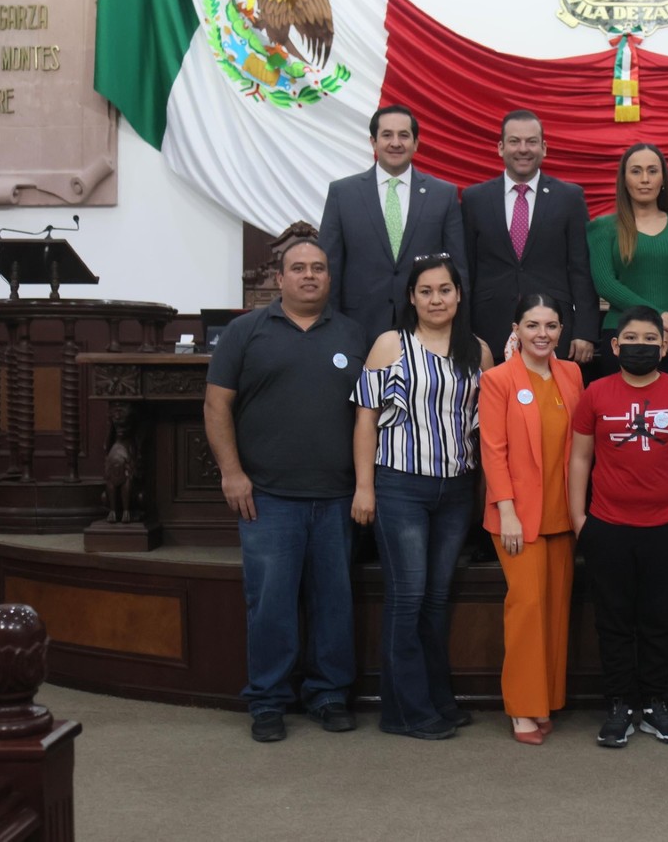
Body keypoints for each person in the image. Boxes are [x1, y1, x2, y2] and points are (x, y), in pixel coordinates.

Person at [204, 238, 366, 743]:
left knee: (334, 602)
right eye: (298, 268)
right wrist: (231, 472)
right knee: (270, 604)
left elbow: (369, 415)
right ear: (280, 278)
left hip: (337, 496)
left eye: (318, 267)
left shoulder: (354, 334)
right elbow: (215, 405)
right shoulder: (245, 331)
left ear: (329, 277)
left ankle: (328, 694)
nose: (309, 275)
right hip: (267, 497)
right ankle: (268, 700)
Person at [350, 254, 494, 740]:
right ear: (411, 297)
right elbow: (366, 418)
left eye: (445, 290)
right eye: (426, 291)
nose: (436, 299)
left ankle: (436, 700)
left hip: (457, 489)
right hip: (400, 486)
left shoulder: (479, 351)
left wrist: (486, 494)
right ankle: (404, 711)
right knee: (407, 597)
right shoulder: (390, 345)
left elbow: (486, 430)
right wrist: (364, 487)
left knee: (435, 600)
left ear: (459, 295)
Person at [569, 305, 668, 748]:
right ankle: (619, 705)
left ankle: (654, 703)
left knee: (658, 620)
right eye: (631, 338)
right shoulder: (595, 392)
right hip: (607, 526)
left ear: (664, 347)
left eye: (651, 339)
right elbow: (580, 457)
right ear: (615, 345)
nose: (641, 346)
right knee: (612, 621)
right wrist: (578, 519)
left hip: (667, 527)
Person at [478, 294, 584, 746]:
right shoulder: (498, 379)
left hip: (563, 513)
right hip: (517, 517)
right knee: (526, 609)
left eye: (551, 325)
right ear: (516, 330)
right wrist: (506, 511)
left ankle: (546, 699)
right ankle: (522, 708)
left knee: (555, 610)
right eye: (533, 325)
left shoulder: (571, 373)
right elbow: (493, 450)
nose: (543, 334)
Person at [319, 104, 467, 346]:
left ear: (416, 143)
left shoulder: (443, 194)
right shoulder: (342, 193)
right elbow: (330, 267)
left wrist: (461, 328)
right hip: (357, 327)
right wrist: (330, 328)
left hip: (427, 327)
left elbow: (458, 267)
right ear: (373, 142)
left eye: (404, 135)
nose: (395, 143)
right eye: (387, 135)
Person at [463, 109, 598, 365]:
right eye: (514, 141)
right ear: (501, 147)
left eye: (531, 141)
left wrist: (585, 331)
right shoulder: (475, 199)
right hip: (488, 333)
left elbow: (581, 270)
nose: (523, 149)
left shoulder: (569, 198)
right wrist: (463, 331)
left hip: (553, 333)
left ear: (544, 148)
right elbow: (466, 271)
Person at [587, 142, 668, 378]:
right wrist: (658, 318)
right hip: (623, 337)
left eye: (652, 171)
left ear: (663, 179)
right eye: (636, 171)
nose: (645, 179)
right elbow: (605, 283)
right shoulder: (603, 228)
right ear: (624, 179)